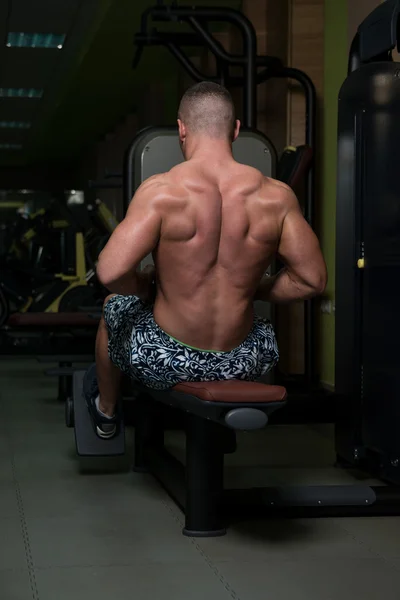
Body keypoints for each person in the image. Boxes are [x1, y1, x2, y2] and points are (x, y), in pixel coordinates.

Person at [84, 81, 327, 439]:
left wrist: (146, 287)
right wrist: (253, 289)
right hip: (246, 360)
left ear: (181, 129)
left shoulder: (162, 191)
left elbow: (110, 270)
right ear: (236, 129)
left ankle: (106, 411)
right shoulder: (276, 196)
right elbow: (312, 280)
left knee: (112, 307)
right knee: (259, 327)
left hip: (164, 359)